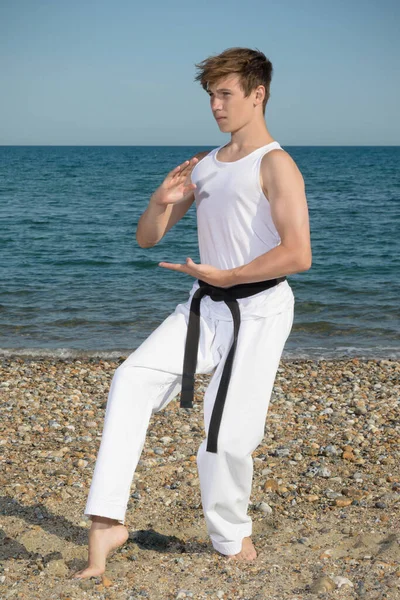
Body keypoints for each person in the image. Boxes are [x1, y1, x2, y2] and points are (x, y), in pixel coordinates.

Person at [73, 46, 311, 579]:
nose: (216, 105)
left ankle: (231, 537)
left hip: (260, 307)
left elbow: (299, 253)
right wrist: (160, 201)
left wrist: (228, 275)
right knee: (130, 379)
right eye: (211, 95)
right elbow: (146, 239)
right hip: (204, 304)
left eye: (226, 94)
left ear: (258, 94)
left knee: (225, 434)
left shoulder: (275, 163)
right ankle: (107, 521)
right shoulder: (204, 165)